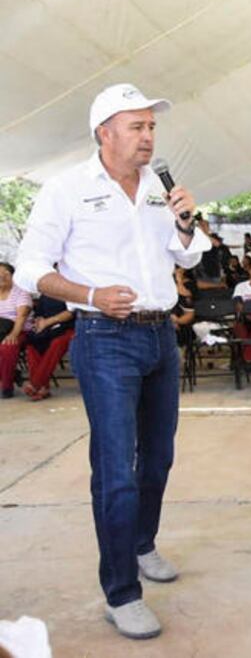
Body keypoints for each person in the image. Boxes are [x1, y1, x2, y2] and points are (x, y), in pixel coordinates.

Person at [13, 83, 210, 639]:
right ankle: (121, 593)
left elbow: (189, 253)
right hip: (105, 339)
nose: (149, 137)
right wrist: (90, 294)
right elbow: (31, 266)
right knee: (116, 470)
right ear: (105, 132)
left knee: (159, 460)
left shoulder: (159, 189)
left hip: (159, 338)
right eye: (138, 127)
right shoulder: (66, 189)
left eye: (152, 127)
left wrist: (187, 221)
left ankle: (142, 543)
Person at [24, 293, 75, 401]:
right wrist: (39, 323)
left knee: (57, 343)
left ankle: (36, 383)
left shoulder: (70, 291)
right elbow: (39, 314)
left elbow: (70, 313)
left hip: (69, 327)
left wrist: (47, 322)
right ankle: (43, 387)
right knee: (32, 344)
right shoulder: (46, 293)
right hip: (49, 328)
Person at [0, 261, 32, 398]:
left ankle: (7, 386)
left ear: (13, 276)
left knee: (8, 346)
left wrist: (13, 334)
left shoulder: (21, 292)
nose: (2, 276)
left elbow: (22, 316)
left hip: (19, 330)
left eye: (6, 273)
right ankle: (14, 374)